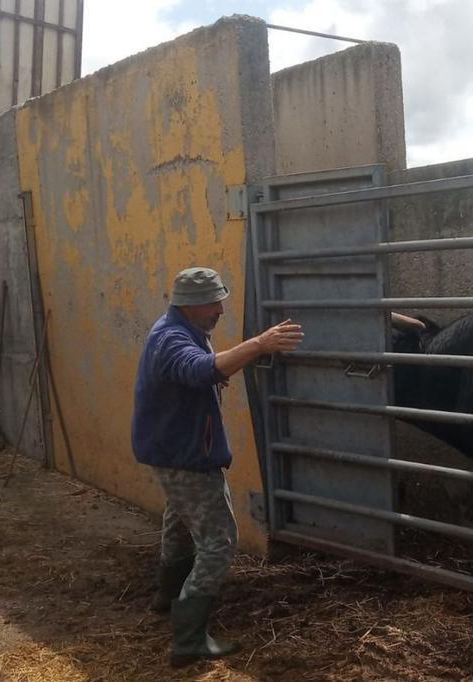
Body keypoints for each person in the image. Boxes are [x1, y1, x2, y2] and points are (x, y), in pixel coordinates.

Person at [131, 266, 303, 667]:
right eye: (215, 303)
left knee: (179, 518)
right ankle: (189, 638)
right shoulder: (171, 337)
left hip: (169, 446)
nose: (221, 309)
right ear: (192, 305)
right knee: (220, 540)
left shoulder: (181, 329)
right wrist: (259, 344)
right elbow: (198, 369)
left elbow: (198, 372)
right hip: (184, 454)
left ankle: (168, 595)